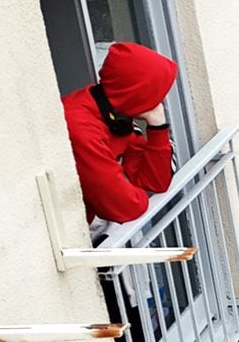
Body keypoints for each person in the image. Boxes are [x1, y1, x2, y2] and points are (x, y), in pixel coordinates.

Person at [62, 42, 180, 223]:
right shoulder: (82, 128)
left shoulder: (113, 110)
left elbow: (154, 181)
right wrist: (128, 190)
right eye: (155, 95)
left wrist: (157, 126)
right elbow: (125, 207)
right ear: (136, 93)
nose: (159, 102)